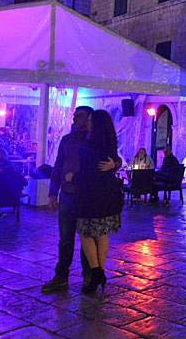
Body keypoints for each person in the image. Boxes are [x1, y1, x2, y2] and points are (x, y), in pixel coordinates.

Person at [41, 107, 118, 293]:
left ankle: (90, 275)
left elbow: (112, 157)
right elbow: (59, 166)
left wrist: (116, 164)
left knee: (89, 235)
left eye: (79, 116)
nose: (74, 119)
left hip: (87, 195)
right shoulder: (67, 140)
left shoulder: (96, 139)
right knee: (66, 238)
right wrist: (53, 192)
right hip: (68, 194)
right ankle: (61, 276)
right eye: (74, 116)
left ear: (89, 119)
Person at [76, 109, 124, 296]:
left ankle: (96, 272)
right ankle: (100, 270)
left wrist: (74, 177)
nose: (87, 123)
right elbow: (113, 162)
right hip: (107, 195)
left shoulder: (89, 147)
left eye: (89, 120)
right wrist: (116, 165)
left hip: (91, 195)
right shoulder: (109, 144)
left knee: (86, 233)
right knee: (102, 234)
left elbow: (87, 172)